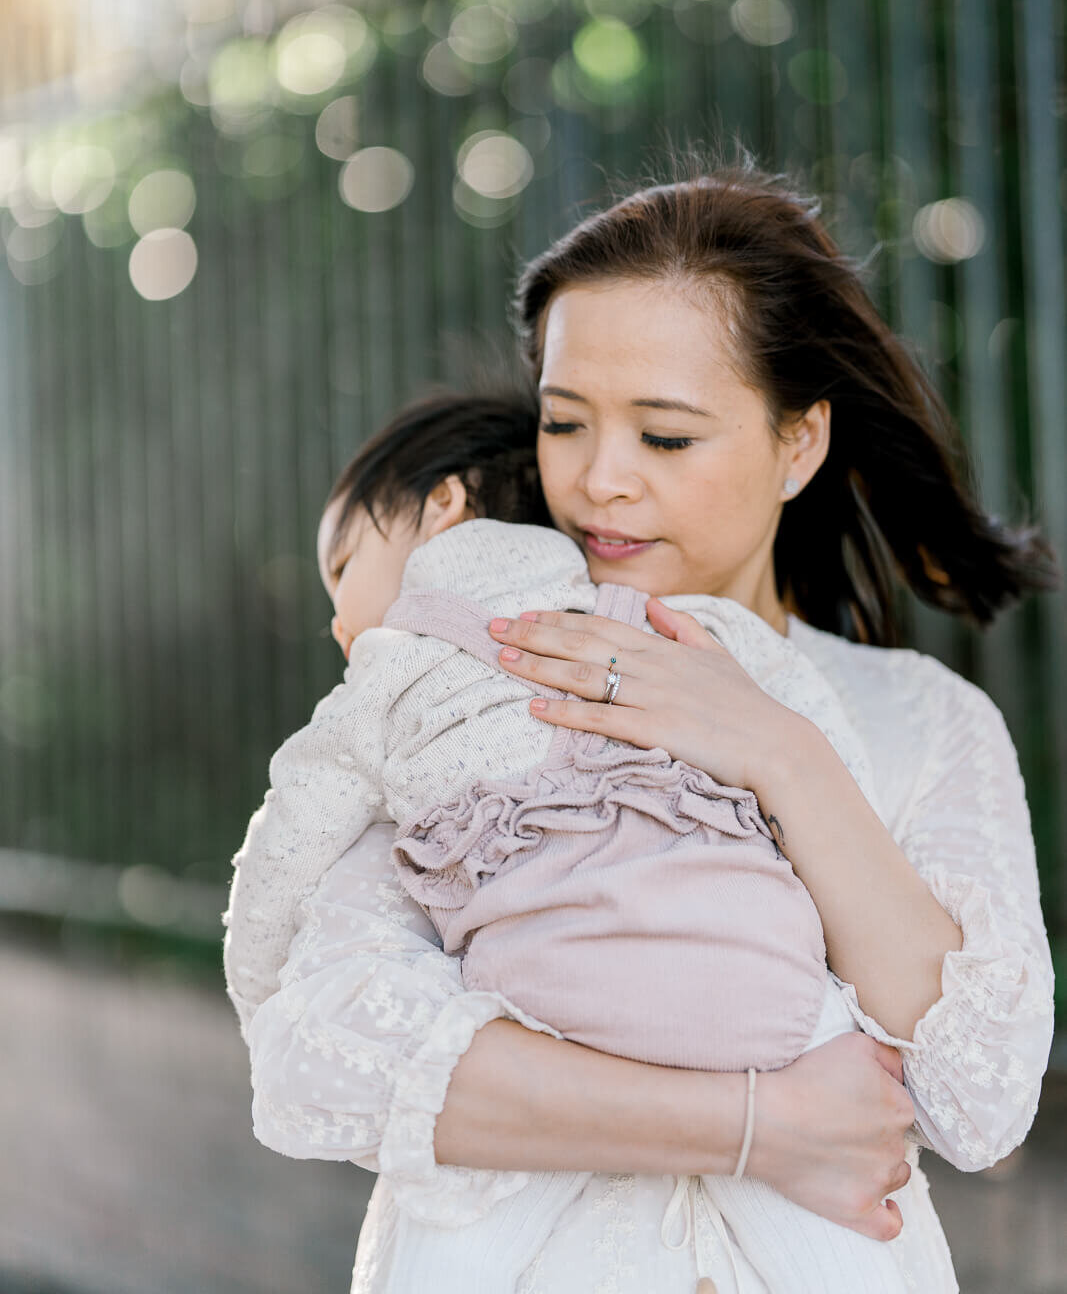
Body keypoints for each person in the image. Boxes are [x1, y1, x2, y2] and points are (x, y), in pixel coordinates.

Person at [240, 161, 1057, 1294]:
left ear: (797, 442)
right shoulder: (482, 667)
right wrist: (753, 1124)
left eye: (664, 438)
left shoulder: (917, 718)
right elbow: (319, 1054)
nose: (597, 481)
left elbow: (979, 1095)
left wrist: (778, 751)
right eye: (564, 423)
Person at [225, 389, 914, 1292]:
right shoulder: (681, 630)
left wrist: (259, 985)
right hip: (778, 1003)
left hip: (552, 1002)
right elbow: (832, 775)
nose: (337, 623)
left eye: (343, 567)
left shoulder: (389, 678)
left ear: (442, 510)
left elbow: (286, 849)